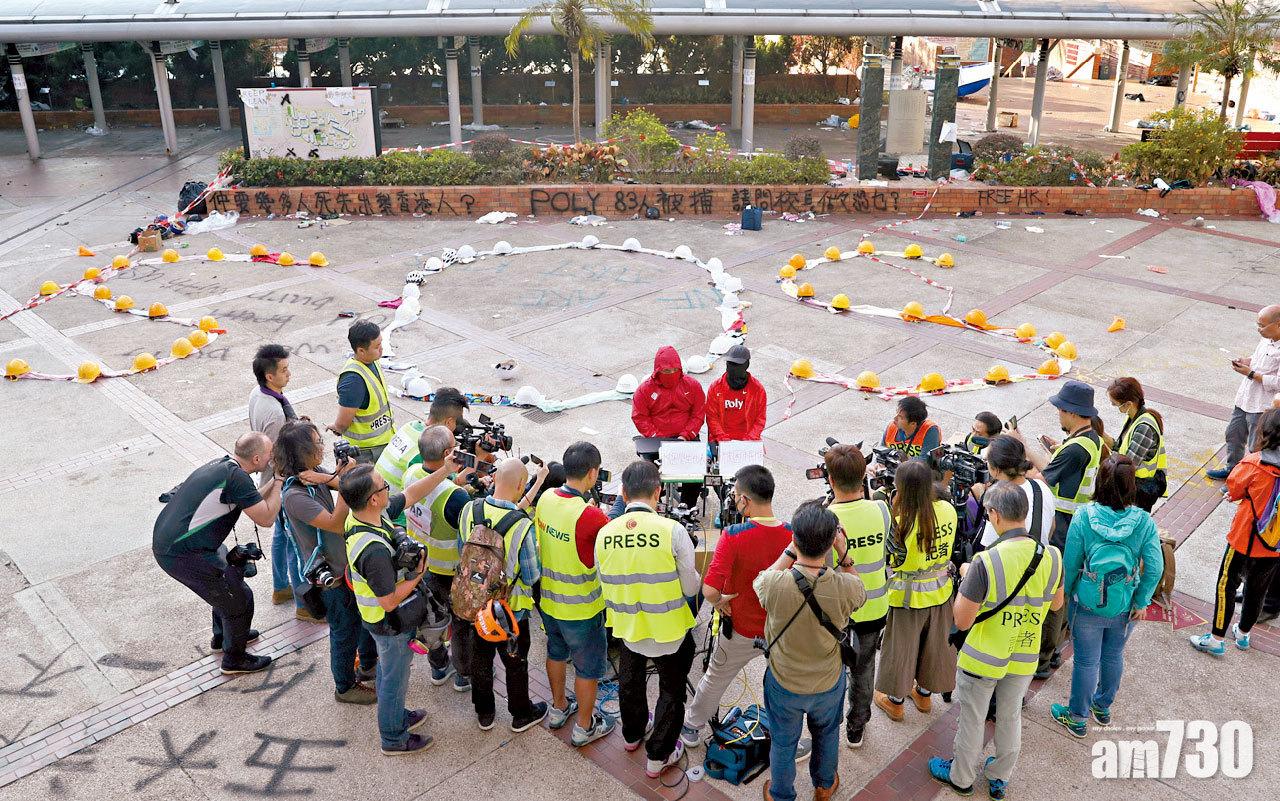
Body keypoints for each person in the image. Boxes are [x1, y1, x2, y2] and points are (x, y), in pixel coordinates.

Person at [928, 482, 1064, 800]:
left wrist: (965, 581)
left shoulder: (986, 562)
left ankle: (961, 777)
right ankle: (1000, 776)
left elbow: (961, 619)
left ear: (995, 515)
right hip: (1024, 652)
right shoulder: (1053, 556)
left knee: (973, 718)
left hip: (983, 657)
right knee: (1009, 714)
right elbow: (1056, 605)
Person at [680, 466, 803, 756]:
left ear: (745, 500)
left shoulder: (734, 535)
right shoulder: (793, 534)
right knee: (784, 688)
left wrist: (721, 601)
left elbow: (709, 590)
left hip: (741, 630)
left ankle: (691, 728)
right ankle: (790, 740)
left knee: (715, 678)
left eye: (735, 496)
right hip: (781, 632)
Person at [341, 458, 458, 755]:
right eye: (384, 486)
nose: (388, 490)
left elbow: (411, 495)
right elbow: (390, 600)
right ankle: (393, 738)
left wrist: (445, 470)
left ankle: (396, 716)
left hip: (379, 620)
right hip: (388, 623)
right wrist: (418, 575)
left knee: (388, 672)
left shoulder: (364, 517)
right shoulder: (374, 551)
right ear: (374, 498)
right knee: (395, 678)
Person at [755, 501, 865, 801]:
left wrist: (789, 551)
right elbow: (861, 590)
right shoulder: (845, 587)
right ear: (832, 541)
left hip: (784, 681)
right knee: (827, 734)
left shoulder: (774, 585)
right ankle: (824, 784)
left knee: (782, 741)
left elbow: (760, 581)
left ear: (795, 539)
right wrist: (844, 553)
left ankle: (781, 793)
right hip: (827, 682)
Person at [597, 460, 700, 778]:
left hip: (628, 628)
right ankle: (659, 756)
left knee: (631, 681)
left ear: (623, 494)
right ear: (659, 492)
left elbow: (605, 582)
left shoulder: (605, 533)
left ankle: (631, 735)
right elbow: (691, 587)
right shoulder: (674, 531)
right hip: (669, 631)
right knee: (672, 691)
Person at [1051, 455, 1163, 737]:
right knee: (1113, 655)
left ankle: (1077, 717)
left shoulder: (1084, 517)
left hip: (1087, 602)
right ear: (1131, 485)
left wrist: (1066, 594)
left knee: (1086, 661)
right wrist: (1141, 600)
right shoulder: (1144, 523)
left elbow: (1071, 562)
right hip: (1125, 603)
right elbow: (1155, 567)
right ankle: (1102, 707)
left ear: (1100, 482)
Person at [152, 433, 282, 675]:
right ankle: (235, 659)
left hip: (172, 544)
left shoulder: (225, 467)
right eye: (269, 454)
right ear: (256, 458)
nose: (272, 457)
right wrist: (280, 483)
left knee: (227, 583)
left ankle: (223, 637)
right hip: (183, 553)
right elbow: (266, 517)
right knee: (239, 598)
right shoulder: (238, 480)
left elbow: (251, 499)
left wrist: (275, 482)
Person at [275, 420, 378, 704]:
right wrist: (344, 481)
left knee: (361, 620)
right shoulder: (294, 496)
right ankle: (344, 687)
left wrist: (332, 476)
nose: (323, 447)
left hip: (344, 565)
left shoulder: (313, 474)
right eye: (318, 443)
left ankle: (368, 664)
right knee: (344, 631)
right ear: (303, 452)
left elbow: (335, 482)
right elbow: (335, 522)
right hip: (329, 576)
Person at [1010, 379, 1104, 678]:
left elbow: (1043, 478)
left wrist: (1021, 449)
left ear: (1073, 413)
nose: (1058, 415)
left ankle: (1044, 655)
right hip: (1075, 525)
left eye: (1061, 410)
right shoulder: (1089, 439)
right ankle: (1051, 649)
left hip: (1064, 528)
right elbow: (1054, 465)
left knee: (1054, 592)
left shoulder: (1076, 448)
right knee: (1060, 589)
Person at [457, 459, 550, 733]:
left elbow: (463, 550)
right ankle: (521, 714)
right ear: (522, 486)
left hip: (475, 603)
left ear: (495, 477)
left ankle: (484, 712)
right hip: (511, 611)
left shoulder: (468, 509)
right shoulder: (523, 526)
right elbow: (532, 575)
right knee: (515, 661)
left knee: (481, 658)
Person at [534, 442, 617, 747]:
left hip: (549, 601)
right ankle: (584, 726)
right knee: (587, 668)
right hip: (582, 608)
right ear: (593, 474)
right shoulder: (589, 515)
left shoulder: (544, 499)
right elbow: (611, 536)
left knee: (555, 653)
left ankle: (558, 708)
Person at [1191, 408, 1280, 656]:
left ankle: (1217, 638)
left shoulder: (1254, 462)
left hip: (1244, 538)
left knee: (1226, 585)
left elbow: (1235, 486)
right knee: (1257, 590)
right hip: (1274, 544)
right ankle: (1243, 634)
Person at [874, 460, 958, 721]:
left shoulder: (902, 522)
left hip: (908, 598)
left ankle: (896, 701)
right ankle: (923, 694)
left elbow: (893, 561)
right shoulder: (947, 509)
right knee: (933, 648)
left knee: (902, 649)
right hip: (941, 591)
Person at [821, 445, 891, 749]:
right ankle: (857, 725)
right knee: (864, 669)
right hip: (875, 607)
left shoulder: (827, 518)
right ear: (865, 475)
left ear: (831, 480)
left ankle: (828, 722)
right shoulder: (881, 509)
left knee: (832, 669)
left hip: (838, 612)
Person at [401, 425, 475, 692]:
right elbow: (468, 530)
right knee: (460, 621)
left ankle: (439, 666)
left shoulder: (411, 475)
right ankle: (463, 675)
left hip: (421, 564)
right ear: (447, 453)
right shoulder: (455, 496)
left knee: (431, 618)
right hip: (451, 570)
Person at [247, 344, 308, 617]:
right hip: (282, 480)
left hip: (275, 478)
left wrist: (296, 426)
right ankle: (304, 604)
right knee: (296, 540)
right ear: (269, 376)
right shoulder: (273, 411)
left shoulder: (259, 395)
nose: (289, 374)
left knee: (282, 534)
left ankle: (281, 586)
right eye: (284, 370)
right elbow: (277, 456)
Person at [1207, 304, 1280, 481]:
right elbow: (1257, 358)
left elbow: (1278, 382)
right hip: (1245, 399)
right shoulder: (1266, 340)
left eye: (1262, 326)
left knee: (1255, 447)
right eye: (1257, 324)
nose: (1259, 329)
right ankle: (1232, 470)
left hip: (1261, 406)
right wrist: (1245, 361)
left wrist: (1251, 374)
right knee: (1233, 434)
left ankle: (1245, 480)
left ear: (1278, 324)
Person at [376, 386, 472, 493]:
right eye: (456, 422)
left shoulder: (410, 426)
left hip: (376, 495)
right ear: (448, 422)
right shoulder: (428, 449)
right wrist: (477, 460)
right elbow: (443, 491)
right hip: (394, 505)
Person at [330, 320, 394, 464]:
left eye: (381, 343)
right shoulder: (353, 380)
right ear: (361, 351)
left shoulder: (373, 361)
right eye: (377, 346)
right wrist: (337, 427)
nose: (381, 349)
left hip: (381, 445)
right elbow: (342, 423)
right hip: (366, 453)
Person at [975, 436, 1055, 549]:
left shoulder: (998, 499)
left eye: (986, 460)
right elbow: (1051, 528)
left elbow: (988, 549)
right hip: (1041, 559)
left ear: (996, 470)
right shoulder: (1041, 487)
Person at [1106, 378, 1167, 512]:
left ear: (1128, 404)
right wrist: (1102, 435)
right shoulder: (1135, 418)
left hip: (1138, 492)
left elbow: (1127, 467)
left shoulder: (1144, 427)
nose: (1114, 407)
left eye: (1115, 404)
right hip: (1133, 488)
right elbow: (1121, 448)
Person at [704, 344, 767, 444]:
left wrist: (749, 439)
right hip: (719, 439)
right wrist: (723, 439)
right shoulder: (715, 388)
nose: (733, 368)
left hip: (748, 439)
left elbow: (760, 419)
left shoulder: (757, 390)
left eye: (737, 365)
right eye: (730, 363)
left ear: (746, 365)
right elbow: (712, 418)